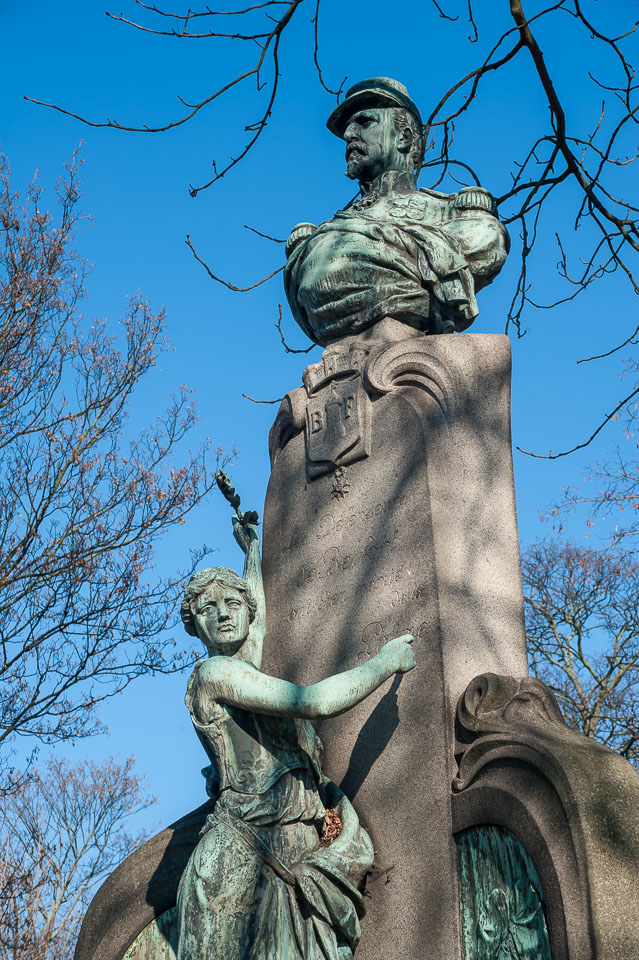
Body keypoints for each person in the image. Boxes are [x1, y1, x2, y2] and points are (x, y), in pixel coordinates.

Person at [175, 513, 416, 960]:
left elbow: (258, 625)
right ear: (194, 626)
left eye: (232, 603)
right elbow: (314, 703)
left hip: (287, 855)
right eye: (208, 609)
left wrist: (252, 553)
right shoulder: (215, 673)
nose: (224, 613)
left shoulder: (242, 662)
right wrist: (385, 663)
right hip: (239, 867)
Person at [284, 77, 510, 345]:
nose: (348, 135)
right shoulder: (323, 235)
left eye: (364, 122)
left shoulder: (454, 214)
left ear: (403, 137)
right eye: (347, 128)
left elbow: (486, 245)